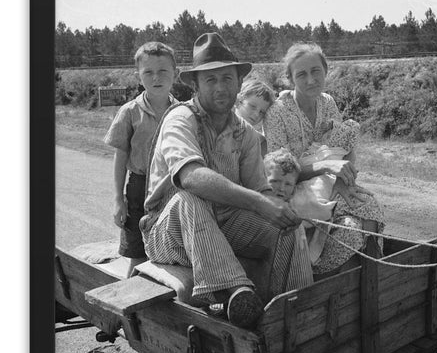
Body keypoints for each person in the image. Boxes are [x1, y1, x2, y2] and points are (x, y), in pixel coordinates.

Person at [139, 33, 313, 328]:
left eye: (227, 79)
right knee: (190, 196)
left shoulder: (243, 132)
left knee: (287, 228)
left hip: (223, 224)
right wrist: (260, 201)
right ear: (195, 85)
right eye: (211, 80)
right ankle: (237, 292)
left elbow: (259, 189)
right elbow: (191, 177)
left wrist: (278, 207)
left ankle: (296, 308)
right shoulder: (180, 119)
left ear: (238, 83)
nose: (221, 88)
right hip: (169, 232)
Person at [263, 43, 384, 274]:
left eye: (315, 71)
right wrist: (326, 166)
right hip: (293, 191)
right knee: (350, 230)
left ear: (325, 71)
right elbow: (279, 172)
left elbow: (345, 145)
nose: (310, 80)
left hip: (329, 185)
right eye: (302, 74)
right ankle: (323, 281)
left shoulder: (327, 102)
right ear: (290, 79)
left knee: (369, 206)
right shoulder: (277, 112)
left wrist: (342, 179)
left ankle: (372, 279)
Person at [104, 41, 178, 262]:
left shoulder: (181, 112)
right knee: (137, 253)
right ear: (139, 77)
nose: (156, 78)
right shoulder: (129, 112)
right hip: (139, 187)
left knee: (168, 250)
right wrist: (119, 199)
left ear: (176, 73)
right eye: (148, 72)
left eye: (163, 71)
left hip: (170, 187)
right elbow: (121, 157)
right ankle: (133, 292)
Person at [234, 78, 275, 154]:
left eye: (262, 112)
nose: (256, 114)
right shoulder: (215, 131)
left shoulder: (259, 142)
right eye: (252, 106)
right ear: (238, 101)